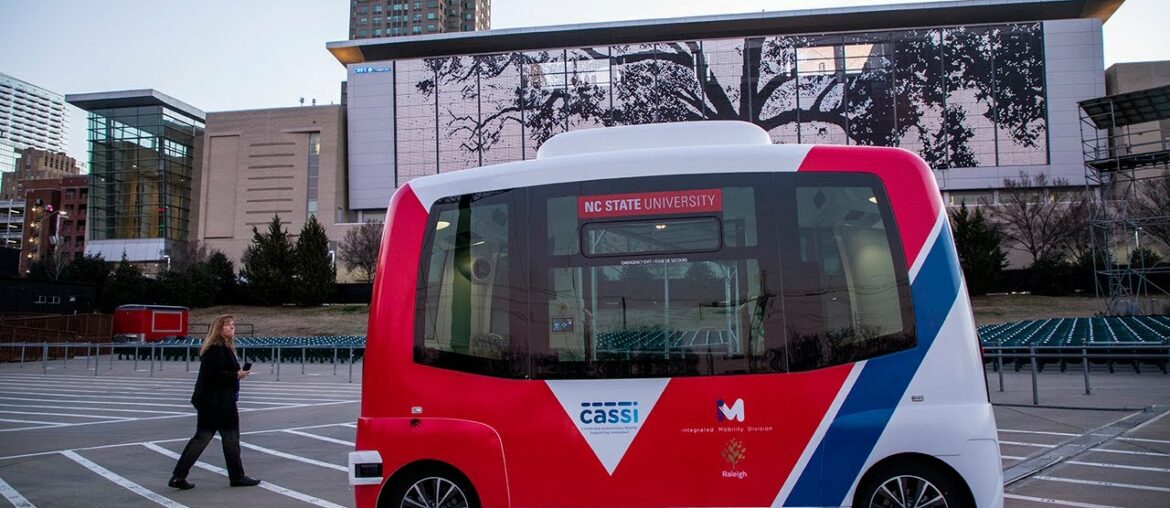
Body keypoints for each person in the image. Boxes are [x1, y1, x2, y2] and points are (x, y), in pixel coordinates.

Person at [169, 314, 261, 489]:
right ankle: (237, 476)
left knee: (202, 437)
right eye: (227, 325)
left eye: (233, 324)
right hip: (219, 401)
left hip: (210, 400)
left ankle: (178, 476)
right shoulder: (217, 348)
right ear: (219, 328)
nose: (232, 327)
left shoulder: (221, 347)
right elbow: (216, 374)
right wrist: (237, 375)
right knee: (230, 437)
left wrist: (236, 375)